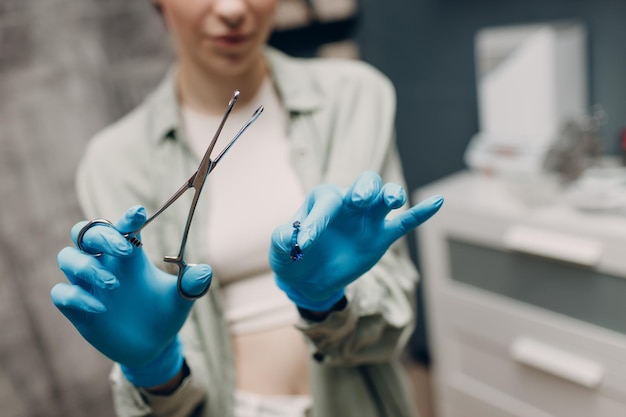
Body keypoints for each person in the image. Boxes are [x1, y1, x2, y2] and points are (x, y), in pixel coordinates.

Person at [51, 1, 443, 416]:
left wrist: (326, 302)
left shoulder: (356, 97)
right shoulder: (113, 161)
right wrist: (153, 369)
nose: (234, 9)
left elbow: (395, 322)